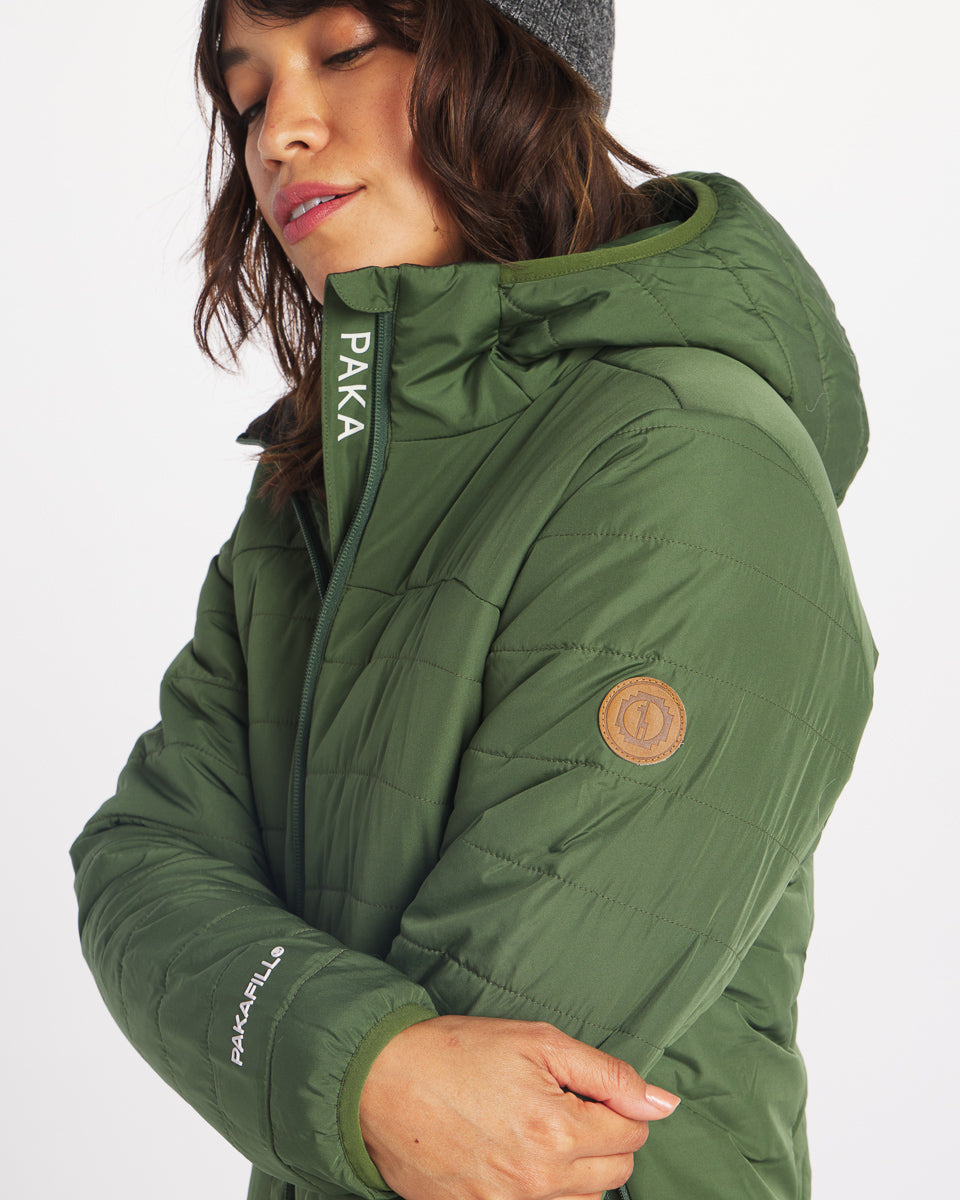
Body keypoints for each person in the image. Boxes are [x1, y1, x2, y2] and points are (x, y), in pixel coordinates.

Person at [70, 1, 876, 1198]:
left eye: (346, 51)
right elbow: (140, 857)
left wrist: (330, 1065)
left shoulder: (687, 462)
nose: (279, 132)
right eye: (248, 94)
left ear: (524, 60)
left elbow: (490, 1122)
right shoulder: (319, 488)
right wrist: (366, 1070)